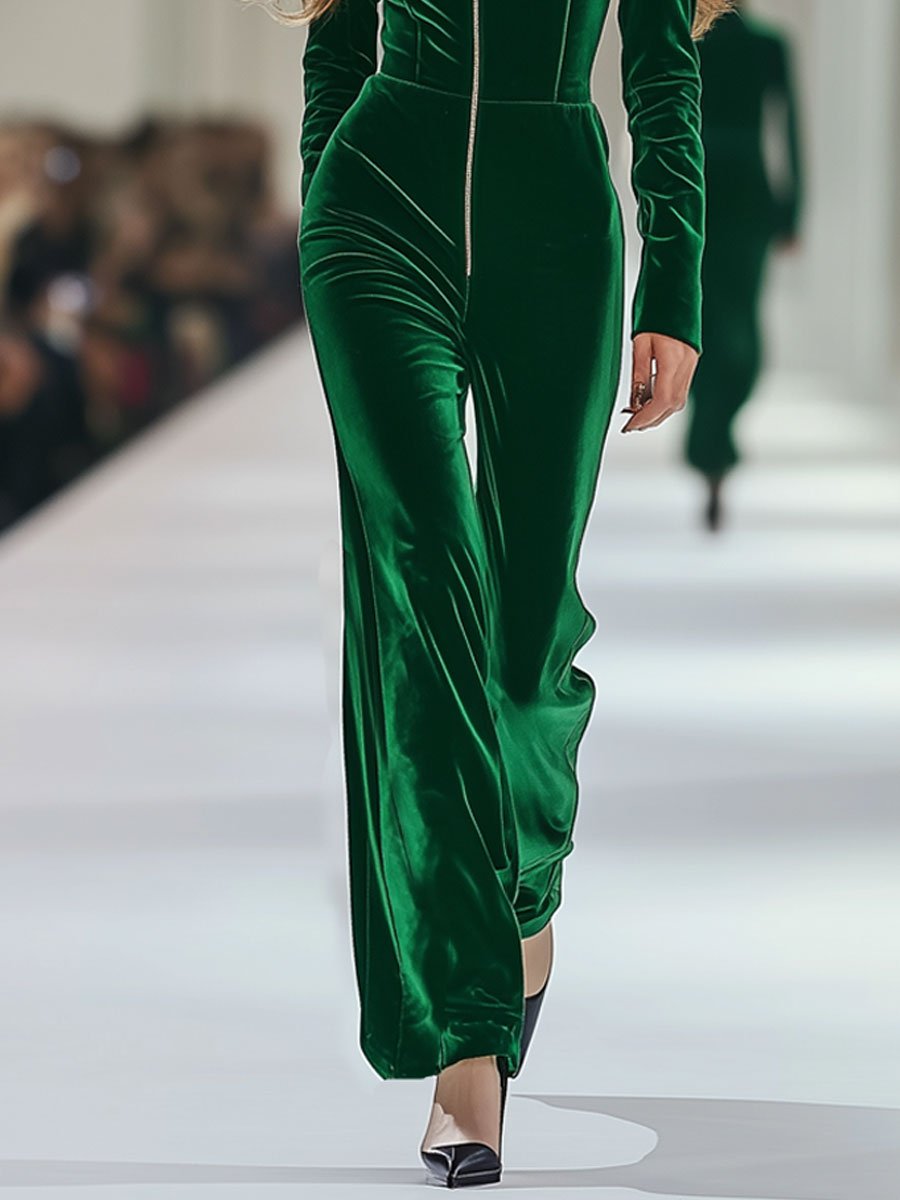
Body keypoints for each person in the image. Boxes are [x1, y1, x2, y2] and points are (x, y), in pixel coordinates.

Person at [254, 0, 727, 1185]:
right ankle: (468, 1046)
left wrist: (674, 283)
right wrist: (321, 210)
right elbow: (334, 42)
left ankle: (524, 890)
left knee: (521, 649)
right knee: (423, 598)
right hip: (375, 214)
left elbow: (662, 72)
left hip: (556, 239)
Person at [684, 2, 804, 530]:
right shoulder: (767, 47)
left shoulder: (691, 43)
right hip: (748, 196)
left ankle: (708, 442)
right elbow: (791, 133)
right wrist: (791, 210)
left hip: (698, 193)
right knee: (738, 320)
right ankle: (715, 441)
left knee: (704, 318)